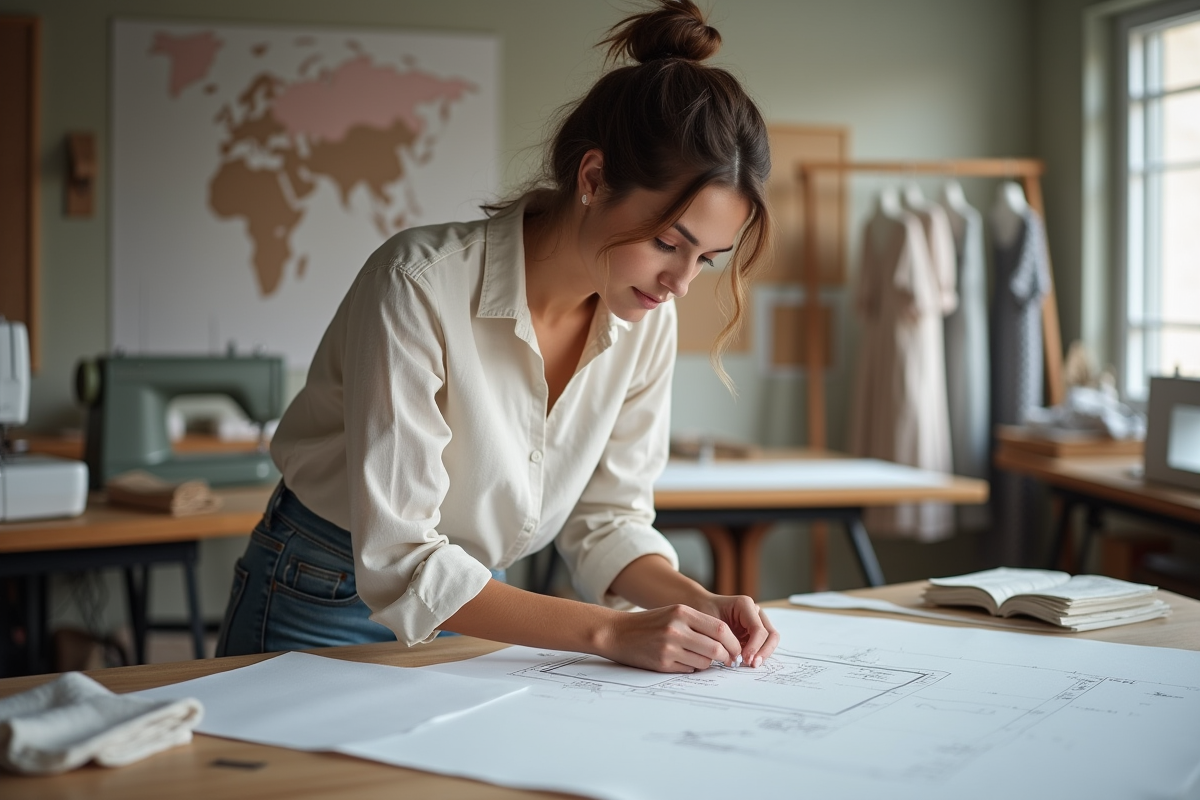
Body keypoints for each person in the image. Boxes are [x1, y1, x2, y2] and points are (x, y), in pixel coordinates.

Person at [216, 0, 778, 674]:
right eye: (667, 243)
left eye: (706, 259)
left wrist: (697, 603)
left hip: (477, 601)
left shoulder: (646, 318)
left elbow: (608, 518)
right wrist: (609, 633)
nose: (681, 282)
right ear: (593, 180)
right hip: (323, 590)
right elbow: (400, 558)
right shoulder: (418, 284)